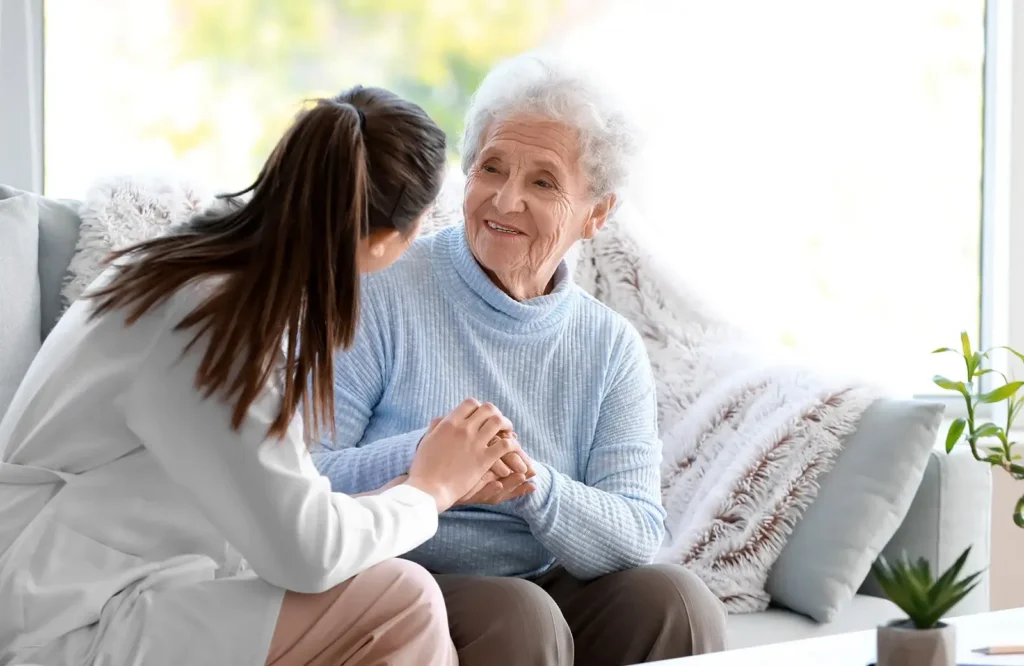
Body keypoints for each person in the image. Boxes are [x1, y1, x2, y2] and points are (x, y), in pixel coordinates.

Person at [0, 85, 524, 666]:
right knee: (403, 602)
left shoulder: (202, 269)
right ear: (382, 243)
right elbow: (306, 554)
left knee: (403, 604)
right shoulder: (211, 321)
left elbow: (283, 512)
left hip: (100, 580)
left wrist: (419, 484)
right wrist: (430, 491)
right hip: (63, 613)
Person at [312, 54, 728, 666]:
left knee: (676, 602)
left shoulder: (609, 345)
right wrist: (435, 456)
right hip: (398, 580)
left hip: (538, 581)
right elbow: (306, 477)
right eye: (491, 168)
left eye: (543, 182)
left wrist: (530, 484)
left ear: (597, 213)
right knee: (519, 615)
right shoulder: (382, 287)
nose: (505, 200)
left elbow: (637, 530)